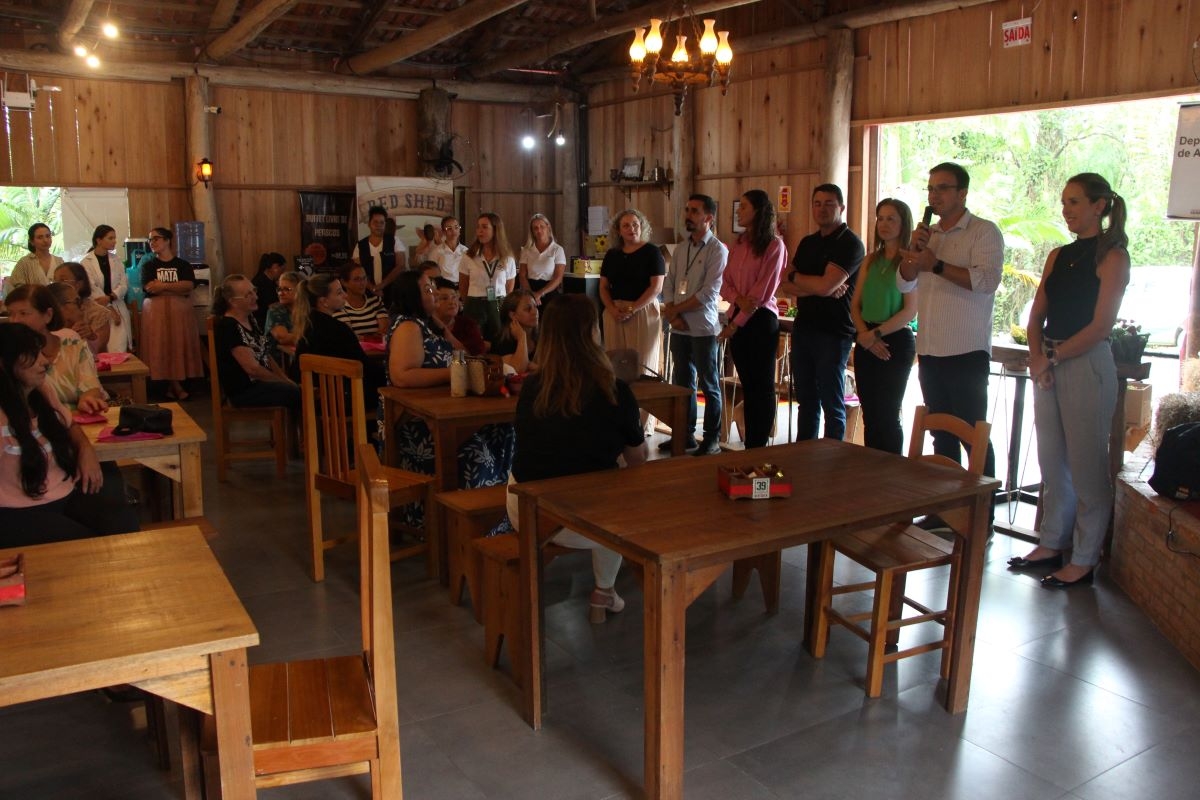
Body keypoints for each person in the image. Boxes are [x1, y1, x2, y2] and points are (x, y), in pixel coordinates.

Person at [1009, 173, 1130, 589]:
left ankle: (1083, 558)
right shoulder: (1059, 255)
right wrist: (1038, 357)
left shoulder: (1113, 257)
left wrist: (1053, 358)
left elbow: (1101, 326)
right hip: (1050, 361)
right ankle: (1051, 542)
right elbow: (1036, 315)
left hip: (1085, 363)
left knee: (1086, 466)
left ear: (1099, 206)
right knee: (1051, 460)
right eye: (1063, 202)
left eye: (1075, 202)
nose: (1066, 210)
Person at [507, 294, 649, 622]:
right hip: (586, 522)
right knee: (622, 486)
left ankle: (604, 589)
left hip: (525, 511)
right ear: (593, 333)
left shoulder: (532, 387)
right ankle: (604, 589)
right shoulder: (615, 390)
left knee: (599, 483)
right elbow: (638, 460)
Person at [898, 162, 1003, 508]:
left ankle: (981, 517)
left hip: (966, 352)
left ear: (963, 193)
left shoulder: (983, 232)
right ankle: (943, 512)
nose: (934, 195)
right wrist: (913, 255)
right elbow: (904, 283)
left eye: (943, 188)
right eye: (930, 189)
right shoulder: (928, 235)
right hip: (930, 350)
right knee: (940, 435)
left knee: (974, 437)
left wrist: (937, 265)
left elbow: (986, 281)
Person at [384, 270, 513, 528]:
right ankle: (459, 526)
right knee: (478, 451)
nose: (433, 294)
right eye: (427, 290)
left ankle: (500, 519)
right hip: (419, 425)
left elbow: (461, 351)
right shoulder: (408, 327)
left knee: (506, 431)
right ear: (411, 296)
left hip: (444, 408)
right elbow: (402, 376)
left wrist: (440, 325)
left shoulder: (425, 324)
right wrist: (455, 372)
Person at [0, 324, 138, 546]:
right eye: (33, 356)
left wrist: (85, 449)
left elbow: (70, 424)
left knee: (123, 522)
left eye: (41, 353)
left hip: (62, 492)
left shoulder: (42, 391)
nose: (45, 361)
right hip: (16, 511)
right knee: (87, 546)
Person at [778, 184, 865, 441]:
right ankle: (805, 453)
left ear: (841, 208)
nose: (822, 209)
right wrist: (819, 287)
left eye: (829, 204)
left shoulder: (850, 243)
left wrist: (804, 281)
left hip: (834, 332)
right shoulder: (808, 242)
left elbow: (824, 285)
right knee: (806, 401)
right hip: (804, 328)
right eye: (817, 203)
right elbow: (785, 284)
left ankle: (833, 458)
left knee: (831, 403)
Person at [848, 199, 918, 454]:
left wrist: (875, 335)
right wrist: (864, 335)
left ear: (903, 224)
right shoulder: (870, 260)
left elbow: (910, 310)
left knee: (888, 415)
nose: (884, 224)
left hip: (895, 339)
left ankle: (892, 471)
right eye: (881, 218)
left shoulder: (909, 262)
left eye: (891, 219)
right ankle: (871, 469)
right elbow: (855, 304)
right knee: (870, 414)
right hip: (866, 336)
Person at [719, 190, 787, 448]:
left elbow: (762, 291)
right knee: (748, 385)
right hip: (738, 313)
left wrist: (736, 323)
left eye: (744, 207)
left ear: (758, 211)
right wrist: (737, 299)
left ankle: (759, 443)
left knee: (762, 386)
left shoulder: (774, 245)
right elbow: (724, 282)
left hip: (760, 320)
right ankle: (750, 443)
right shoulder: (738, 244)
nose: (738, 211)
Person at [661, 194, 728, 456]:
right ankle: (685, 435)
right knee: (682, 383)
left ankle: (711, 439)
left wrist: (675, 310)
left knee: (709, 385)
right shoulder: (681, 248)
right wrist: (671, 313)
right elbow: (669, 283)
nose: (688, 215)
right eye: (687, 210)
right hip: (678, 326)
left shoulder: (718, 250)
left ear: (708, 218)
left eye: (694, 211)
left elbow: (709, 294)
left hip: (702, 327)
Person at [3, 285, 107, 414]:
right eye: (10, 314)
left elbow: (91, 387)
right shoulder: (9, 354)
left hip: (75, 420)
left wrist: (88, 400)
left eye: (23, 313)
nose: (15, 321)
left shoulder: (74, 348)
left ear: (48, 315)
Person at [292, 272, 384, 408]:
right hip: (343, 400)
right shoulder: (337, 329)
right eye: (339, 292)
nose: (345, 295)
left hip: (315, 400)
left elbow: (294, 371)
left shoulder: (307, 325)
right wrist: (389, 372)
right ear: (324, 301)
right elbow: (363, 366)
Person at [210, 274, 301, 412]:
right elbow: (252, 369)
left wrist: (286, 379)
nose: (256, 297)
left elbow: (265, 354)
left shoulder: (250, 318)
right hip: (244, 391)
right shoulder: (229, 326)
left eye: (254, 291)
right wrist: (281, 382)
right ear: (233, 301)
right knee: (295, 393)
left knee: (296, 388)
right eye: (249, 295)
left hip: (260, 384)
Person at [599, 208, 666, 385]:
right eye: (626, 225)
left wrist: (632, 308)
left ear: (642, 227)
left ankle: (643, 403)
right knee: (615, 365)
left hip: (642, 310)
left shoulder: (652, 252)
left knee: (642, 365)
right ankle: (619, 401)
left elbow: (656, 287)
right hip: (614, 312)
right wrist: (612, 309)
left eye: (635, 224)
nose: (632, 229)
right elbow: (603, 287)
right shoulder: (612, 254)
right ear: (618, 230)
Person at [138, 227, 204, 401]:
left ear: (167, 240)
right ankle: (173, 386)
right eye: (150, 239)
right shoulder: (148, 265)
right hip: (156, 314)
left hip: (179, 313)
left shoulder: (182, 264)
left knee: (177, 345)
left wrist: (163, 286)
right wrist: (175, 287)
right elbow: (149, 287)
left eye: (156, 238)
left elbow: (188, 286)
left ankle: (173, 385)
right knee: (159, 346)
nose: (152, 242)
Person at [460, 212, 517, 341]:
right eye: (478, 227)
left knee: (498, 340)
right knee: (473, 341)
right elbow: (463, 285)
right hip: (474, 303)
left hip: (498, 303)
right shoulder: (469, 256)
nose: (480, 231)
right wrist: (469, 303)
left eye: (485, 227)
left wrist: (503, 305)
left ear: (496, 230)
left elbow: (509, 287)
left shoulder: (507, 258)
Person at [79, 225, 131, 353]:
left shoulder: (116, 259)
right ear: (99, 240)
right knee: (101, 347)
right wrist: (109, 307)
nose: (114, 241)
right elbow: (92, 287)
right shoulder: (86, 262)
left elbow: (123, 284)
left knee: (118, 347)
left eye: (115, 238)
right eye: (110, 238)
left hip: (117, 304)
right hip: (98, 307)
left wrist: (111, 297)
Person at [52, 263, 113, 355]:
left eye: (63, 280)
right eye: (54, 280)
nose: (57, 285)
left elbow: (99, 348)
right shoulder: (49, 311)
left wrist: (91, 336)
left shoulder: (98, 312)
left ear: (79, 284)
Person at [353, 205, 404, 295]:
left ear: (385, 224)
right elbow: (357, 271)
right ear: (369, 224)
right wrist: (372, 288)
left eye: (382, 222)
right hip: (367, 294)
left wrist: (382, 285)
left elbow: (400, 266)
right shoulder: (360, 245)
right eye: (375, 222)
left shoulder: (394, 241)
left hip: (392, 293)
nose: (378, 225)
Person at [518, 213, 567, 306]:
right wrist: (531, 294)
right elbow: (522, 275)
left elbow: (558, 277)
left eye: (542, 227)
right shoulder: (526, 250)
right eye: (535, 228)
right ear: (532, 231)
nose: (539, 230)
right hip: (530, 289)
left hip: (549, 290)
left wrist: (540, 293)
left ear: (548, 227)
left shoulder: (557, 249)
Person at [332, 262, 389, 339]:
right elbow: (349, 336)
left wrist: (363, 338)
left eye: (364, 278)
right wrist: (372, 338)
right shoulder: (339, 305)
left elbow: (384, 330)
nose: (362, 283)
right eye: (357, 279)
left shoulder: (375, 301)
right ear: (344, 282)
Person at [433, 283, 487, 356]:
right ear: (433, 302)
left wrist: (444, 330)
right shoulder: (426, 326)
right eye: (444, 298)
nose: (452, 302)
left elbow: (478, 354)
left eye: (454, 297)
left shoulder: (467, 324)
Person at [491, 289, 538, 373]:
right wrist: (521, 337)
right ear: (513, 315)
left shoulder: (543, 336)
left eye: (535, 306)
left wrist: (531, 365)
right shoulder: (502, 341)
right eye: (528, 309)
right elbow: (518, 370)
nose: (535, 312)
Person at [8, 223, 63, 288]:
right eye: (40, 237)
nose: (45, 240)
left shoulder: (59, 261)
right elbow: (18, 287)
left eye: (48, 236)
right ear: (32, 242)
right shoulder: (24, 263)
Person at [265, 271, 301, 349]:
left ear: (300, 291)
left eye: (286, 289)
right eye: (279, 289)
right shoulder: (275, 310)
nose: (280, 293)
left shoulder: (308, 310)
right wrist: (311, 338)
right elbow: (283, 338)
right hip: (279, 355)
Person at [252, 252, 287, 328]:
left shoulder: (272, 282)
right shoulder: (259, 282)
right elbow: (269, 306)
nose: (282, 273)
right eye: (282, 270)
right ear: (275, 267)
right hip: (262, 322)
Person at [433, 215, 469, 287]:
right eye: (449, 228)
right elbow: (432, 273)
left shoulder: (465, 251)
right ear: (443, 232)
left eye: (456, 227)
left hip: (462, 287)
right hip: (444, 287)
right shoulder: (437, 251)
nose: (453, 231)